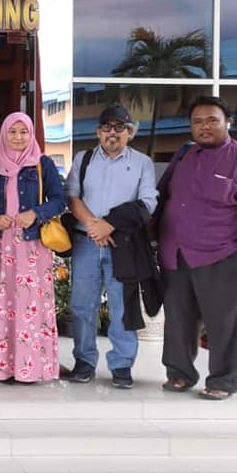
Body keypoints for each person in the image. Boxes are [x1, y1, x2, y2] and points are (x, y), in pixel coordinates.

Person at [158, 96, 237, 400]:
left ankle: (223, 381)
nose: (204, 126)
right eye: (197, 121)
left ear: (228, 123)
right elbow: (164, 196)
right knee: (178, 318)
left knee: (226, 323)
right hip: (177, 254)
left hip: (224, 255)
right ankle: (179, 373)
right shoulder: (184, 156)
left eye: (212, 120)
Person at [66, 105, 157, 389]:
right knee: (82, 305)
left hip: (124, 245)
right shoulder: (83, 159)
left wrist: (110, 225)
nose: (112, 133)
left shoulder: (142, 163)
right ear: (98, 131)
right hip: (86, 243)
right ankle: (84, 362)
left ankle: (121, 365)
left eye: (120, 127)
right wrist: (95, 226)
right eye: (106, 127)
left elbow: (148, 203)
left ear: (130, 133)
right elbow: (72, 197)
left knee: (122, 307)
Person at [0, 112, 66, 383]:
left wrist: (36, 213)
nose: (18, 137)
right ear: (3, 135)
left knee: (29, 305)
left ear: (31, 134)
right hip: (0, 246)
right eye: (12, 132)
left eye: (24, 132)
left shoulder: (42, 164)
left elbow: (60, 199)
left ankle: (31, 368)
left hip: (32, 247)